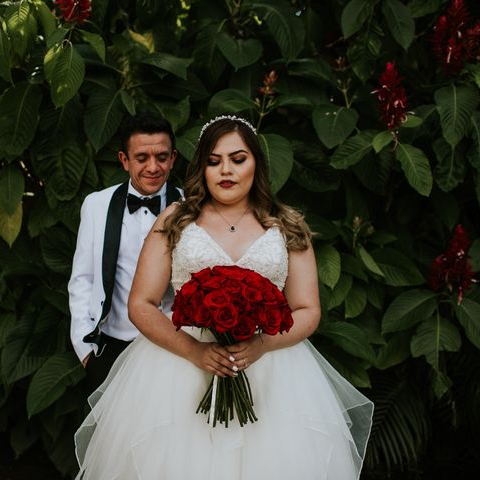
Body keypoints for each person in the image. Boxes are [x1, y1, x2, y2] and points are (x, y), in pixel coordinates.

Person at [74, 115, 373, 479]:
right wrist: (195, 351)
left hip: (272, 368)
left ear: (257, 164)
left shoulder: (288, 224)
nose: (225, 171)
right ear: (201, 167)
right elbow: (140, 304)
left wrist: (261, 345)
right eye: (213, 161)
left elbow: (308, 310)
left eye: (238, 158)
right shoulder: (176, 220)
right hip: (179, 370)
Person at [68, 111, 182, 392]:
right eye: (142, 158)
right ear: (124, 160)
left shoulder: (192, 207)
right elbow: (82, 278)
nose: (153, 167)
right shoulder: (96, 205)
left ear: (173, 158)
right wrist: (85, 348)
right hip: (110, 347)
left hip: (174, 346)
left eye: (162, 157)